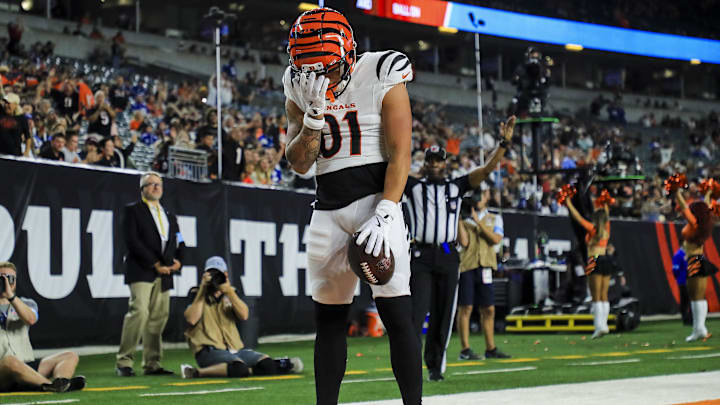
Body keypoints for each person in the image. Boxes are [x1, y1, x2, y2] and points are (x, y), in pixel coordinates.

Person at [282, 7, 421, 404]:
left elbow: (400, 152)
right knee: (328, 321)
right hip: (326, 208)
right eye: (310, 71)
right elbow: (301, 163)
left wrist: (387, 209)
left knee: (397, 316)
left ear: (349, 53)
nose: (319, 79)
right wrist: (312, 120)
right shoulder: (297, 82)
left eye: (326, 69)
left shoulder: (381, 71)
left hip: (374, 204)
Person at [404, 118, 514, 382]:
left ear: (445, 163)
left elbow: (486, 170)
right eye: (430, 161)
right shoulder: (413, 187)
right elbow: (389, 168)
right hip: (420, 254)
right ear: (425, 164)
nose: (434, 165)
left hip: (447, 254)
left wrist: (504, 143)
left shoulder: (456, 187)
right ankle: (408, 366)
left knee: (444, 313)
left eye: (438, 161)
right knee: (416, 314)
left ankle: (434, 367)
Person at [180, 257, 303, 379]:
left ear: (226, 275)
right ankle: (196, 372)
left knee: (267, 365)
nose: (215, 278)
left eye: (219, 274)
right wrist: (203, 289)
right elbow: (191, 319)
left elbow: (244, 315)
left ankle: (259, 367)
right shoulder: (196, 293)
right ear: (204, 275)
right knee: (238, 367)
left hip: (236, 349)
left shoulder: (231, 293)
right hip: (209, 351)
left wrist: (228, 291)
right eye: (212, 274)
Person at [116, 171, 185, 377]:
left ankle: (152, 363)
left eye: (158, 184)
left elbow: (178, 240)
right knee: (139, 312)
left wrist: (179, 260)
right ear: (142, 189)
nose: (155, 187)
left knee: (159, 317)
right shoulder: (133, 211)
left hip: (165, 273)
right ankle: (124, 362)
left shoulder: (169, 215)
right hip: (142, 269)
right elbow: (132, 241)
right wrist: (155, 263)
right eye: (150, 184)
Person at [0, 262, 85, 393]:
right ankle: (51, 385)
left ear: (16, 281)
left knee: (70, 355)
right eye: (2, 278)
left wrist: (11, 297)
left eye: (10, 278)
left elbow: (31, 319)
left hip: (26, 365)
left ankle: (60, 382)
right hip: (3, 369)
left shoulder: (26, 303)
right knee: (11, 361)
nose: (6, 282)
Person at [456, 186, 511, 362]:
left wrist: (477, 222)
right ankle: (465, 348)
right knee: (466, 307)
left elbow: (496, 240)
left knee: (488, 308)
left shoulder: (495, 218)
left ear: (486, 197)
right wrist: (459, 219)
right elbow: (463, 242)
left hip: (485, 266)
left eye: (482, 195)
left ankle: (490, 347)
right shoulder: (463, 219)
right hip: (467, 266)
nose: (479, 198)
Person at [564, 194, 612, 339]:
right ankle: (604, 324)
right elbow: (606, 215)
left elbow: (578, 218)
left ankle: (599, 326)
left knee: (595, 296)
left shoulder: (592, 229)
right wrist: (604, 204)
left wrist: (568, 203)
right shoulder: (606, 230)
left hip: (593, 260)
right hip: (606, 259)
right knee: (604, 295)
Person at [675, 188, 717, 341]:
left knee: (696, 297)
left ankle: (699, 329)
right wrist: (707, 195)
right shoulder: (701, 223)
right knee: (697, 296)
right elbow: (705, 207)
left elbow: (684, 207)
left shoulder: (694, 223)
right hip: (697, 260)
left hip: (694, 260)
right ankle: (700, 328)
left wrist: (677, 192)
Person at [672, 247, 693, 326]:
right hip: (683, 281)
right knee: (685, 301)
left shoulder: (692, 253)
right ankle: (686, 319)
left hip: (692, 281)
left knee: (692, 300)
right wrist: (680, 277)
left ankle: (692, 318)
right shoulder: (678, 255)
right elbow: (675, 269)